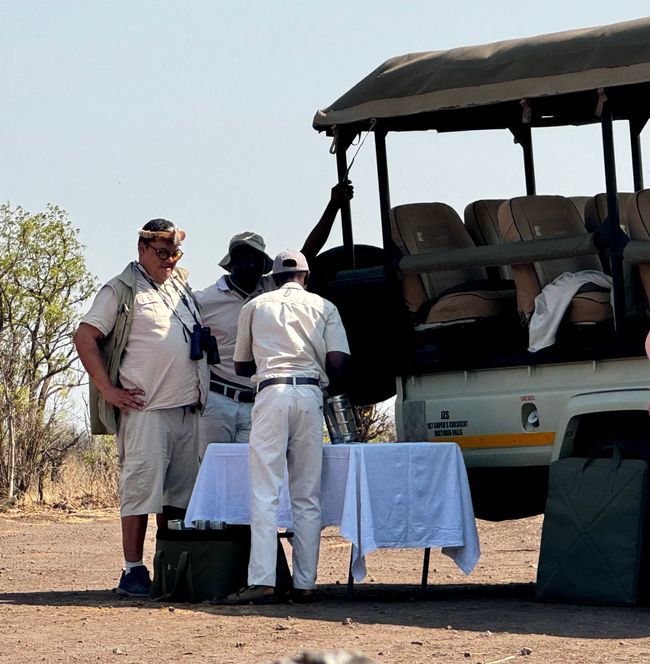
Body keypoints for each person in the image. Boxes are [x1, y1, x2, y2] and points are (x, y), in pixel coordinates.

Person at [73, 219, 208, 597]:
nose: (168, 260)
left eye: (174, 253)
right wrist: (109, 390)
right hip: (146, 410)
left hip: (187, 409)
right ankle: (133, 571)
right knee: (140, 492)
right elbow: (85, 337)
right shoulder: (121, 289)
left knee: (177, 497)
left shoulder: (181, 285)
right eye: (161, 253)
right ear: (142, 250)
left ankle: (170, 567)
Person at [226, 249, 350, 604]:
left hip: (271, 392)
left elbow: (240, 366)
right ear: (306, 277)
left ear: (274, 277)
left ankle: (263, 580)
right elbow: (338, 359)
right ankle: (306, 582)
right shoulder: (324, 307)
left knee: (265, 491)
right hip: (310, 393)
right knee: (306, 494)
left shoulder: (255, 306)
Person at [195, 181, 353, 455]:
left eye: (258, 260)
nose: (252, 266)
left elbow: (306, 255)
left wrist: (334, 205)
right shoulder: (204, 300)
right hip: (218, 401)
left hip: (261, 399)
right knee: (212, 473)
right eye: (245, 259)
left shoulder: (270, 291)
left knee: (253, 473)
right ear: (231, 263)